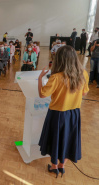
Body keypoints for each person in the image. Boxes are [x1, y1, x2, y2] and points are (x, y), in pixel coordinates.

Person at [38, 45, 89, 178]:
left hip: (57, 114)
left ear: (59, 59)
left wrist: (40, 79)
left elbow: (42, 94)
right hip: (74, 114)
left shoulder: (56, 77)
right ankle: (62, 166)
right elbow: (84, 93)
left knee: (55, 140)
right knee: (69, 139)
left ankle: (54, 166)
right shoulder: (83, 74)